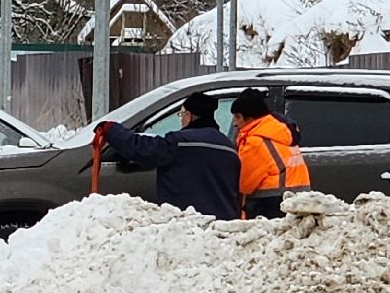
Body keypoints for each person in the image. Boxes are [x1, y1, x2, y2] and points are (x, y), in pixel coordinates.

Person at [97, 91, 241, 220]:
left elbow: (141, 149)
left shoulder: (180, 143)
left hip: (187, 224)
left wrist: (112, 130)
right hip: (223, 227)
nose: (181, 120)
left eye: (181, 115)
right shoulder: (229, 148)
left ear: (189, 116)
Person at [230, 88, 310, 219]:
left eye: (238, 117)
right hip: (298, 198)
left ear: (250, 118)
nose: (234, 122)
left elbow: (245, 185)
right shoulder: (280, 132)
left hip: (269, 202)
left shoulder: (254, 142)